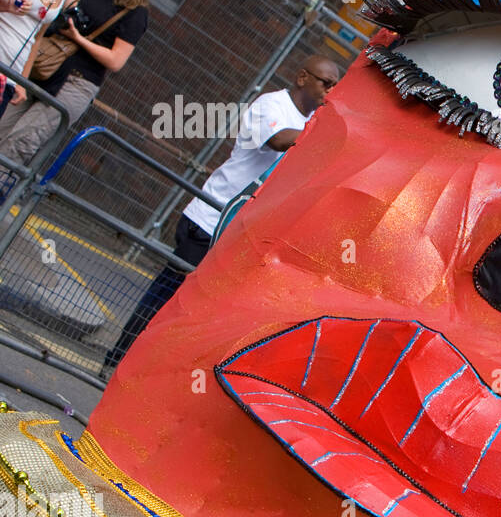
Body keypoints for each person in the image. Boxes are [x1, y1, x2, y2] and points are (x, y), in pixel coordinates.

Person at [102, 55, 341, 374]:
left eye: (336, 86)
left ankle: (148, 373)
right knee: (167, 297)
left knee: (198, 313)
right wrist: (325, 131)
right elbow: (279, 140)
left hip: (239, 233)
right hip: (209, 219)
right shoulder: (271, 105)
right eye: (326, 83)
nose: (331, 91)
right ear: (302, 78)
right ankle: (117, 360)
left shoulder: (313, 127)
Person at [0, 0, 157, 165]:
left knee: (19, 143)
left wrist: (79, 40)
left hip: (77, 83)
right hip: (50, 66)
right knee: (4, 123)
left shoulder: (136, 13)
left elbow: (116, 61)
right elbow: (76, 9)